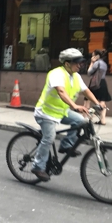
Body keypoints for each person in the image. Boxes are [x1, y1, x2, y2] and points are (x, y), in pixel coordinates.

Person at [31, 48, 104, 182]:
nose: (80, 65)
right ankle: (38, 166)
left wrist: (97, 103)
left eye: (81, 62)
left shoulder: (75, 76)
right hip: (46, 113)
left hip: (61, 112)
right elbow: (61, 91)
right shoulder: (56, 74)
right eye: (77, 62)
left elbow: (86, 91)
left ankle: (66, 145)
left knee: (82, 121)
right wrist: (75, 106)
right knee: (49, 137)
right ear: (67, 64)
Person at [84, 49, 111, 125]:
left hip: (95, 83)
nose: (92, 56)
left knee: (87, 100)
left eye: (93, 55)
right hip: (103, 83)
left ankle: (87, 118)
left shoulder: (96, 63)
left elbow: (89, 73)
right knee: (102, 101)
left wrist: (92, 63)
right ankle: (103, 120)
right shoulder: (104, 64)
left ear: (96, 56)